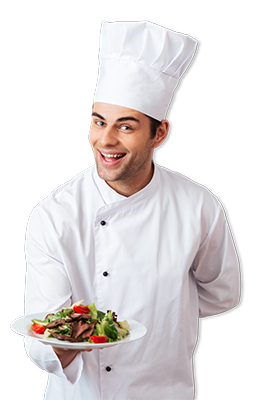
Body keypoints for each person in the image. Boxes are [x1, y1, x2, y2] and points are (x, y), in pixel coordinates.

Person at [24, 21, 240, 400]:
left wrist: (165, 314)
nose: (105, 140)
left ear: (159, 133)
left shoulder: (198, 205)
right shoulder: (54, 214)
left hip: (166, 392)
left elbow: (223, 292)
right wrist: (62, 339)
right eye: (98, 121)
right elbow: (42, 329)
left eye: (126, 127)